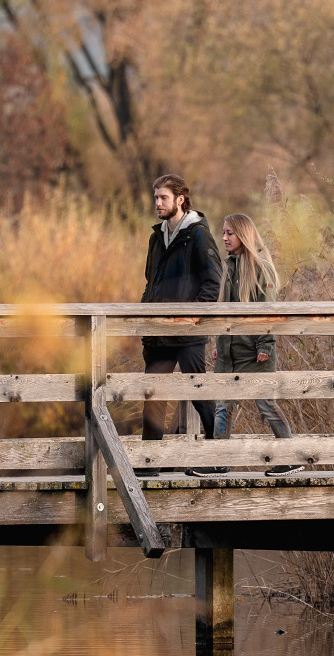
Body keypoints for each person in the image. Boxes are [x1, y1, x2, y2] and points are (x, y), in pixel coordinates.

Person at [185, 214, 300, 477]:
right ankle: (220, 462)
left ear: (244, 235)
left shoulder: (262, 268)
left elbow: (267, 311)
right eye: (223, 233)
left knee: (265, 403)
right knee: (223, 404)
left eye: (230, 233)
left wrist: (265, 346)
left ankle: (292, 456)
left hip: (255, 350)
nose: (224, 238)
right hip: (229, 351)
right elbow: (225, 312)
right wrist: (219, 341)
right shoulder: (231, 266)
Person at [138, 174, 220, 475]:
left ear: (180, 200)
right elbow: (151, 282)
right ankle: (149, 464)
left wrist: (193, 318)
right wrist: (146, 316)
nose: (157, 203)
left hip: (188, 335)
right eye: (156, 197)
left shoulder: (197, 234)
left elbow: (212, 281)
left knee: (199, 394)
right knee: (153, 396)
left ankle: (218, 456)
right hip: (158, 332)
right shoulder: (156, 236)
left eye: (163, 198)